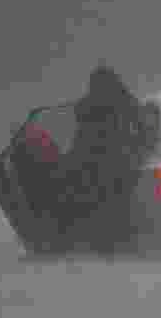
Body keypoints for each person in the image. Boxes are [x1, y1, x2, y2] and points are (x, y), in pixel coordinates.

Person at [53, 65, 144, 252]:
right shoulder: (127, 102)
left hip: (87, 162)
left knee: (88, 202)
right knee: (118, 205)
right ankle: (118, 240)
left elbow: (80, 136)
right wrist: (137, 149)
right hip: (118, 162)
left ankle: (90, 239)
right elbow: (142, 131)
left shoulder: (84, 106)